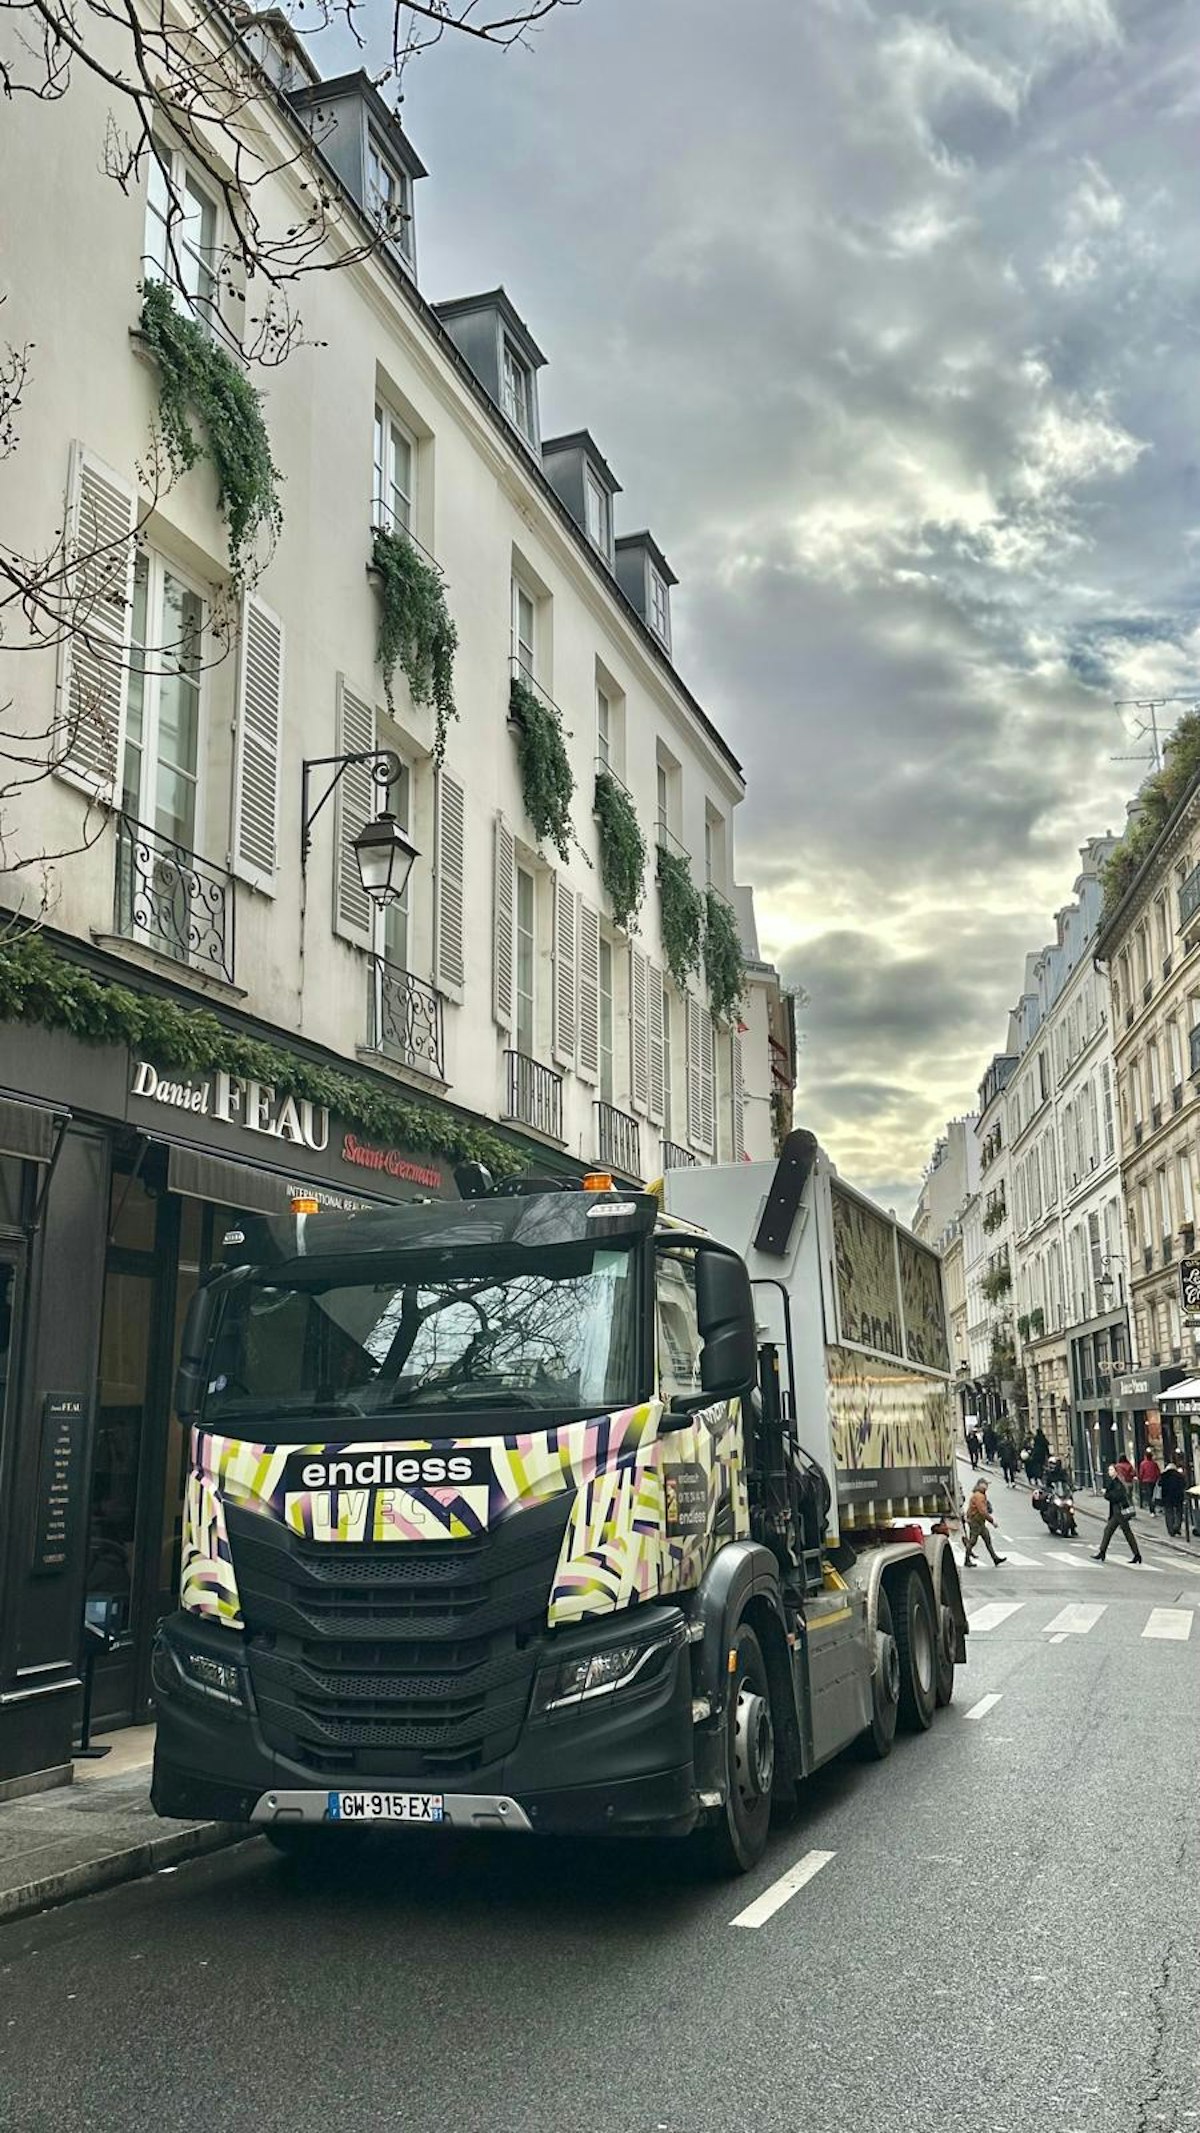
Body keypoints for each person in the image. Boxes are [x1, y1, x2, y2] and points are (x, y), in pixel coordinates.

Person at [1093, 1462, 1143, 1564]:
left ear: (1116, 1472)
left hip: (1119, 1511)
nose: (1109, 1472)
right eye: (1109, 1470)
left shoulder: (1117, 1483)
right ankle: (1102, 1552)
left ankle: (1136, 1555)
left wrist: (1106, 1494)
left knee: (1124, 1532)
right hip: (1117, 1511)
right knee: (1109, 1530)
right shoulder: (1115, 1482)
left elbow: (1117, 1496)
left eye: (1111, 1470)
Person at [963, 1477, 1006, 1568]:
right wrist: (992, 1521)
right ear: (980, 1485)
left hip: (979, 1521)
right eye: (985, 1484)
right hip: (976, 1521)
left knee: (987, 1539)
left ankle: (995, 1558)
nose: (987, 1486)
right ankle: (966, 1560)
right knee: (973, 1541)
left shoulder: (980, 1495)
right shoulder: (979, 1496)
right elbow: (982, 1511)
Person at [1159, 1458, 1186, 1538]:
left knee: (1169, 1513)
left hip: (1167, 1497)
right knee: (1179, 1512)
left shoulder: (1164, 1476)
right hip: (1178, 1496)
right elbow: (1184, 1484)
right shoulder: (1179, 1476)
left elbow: (1160, 1485)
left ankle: (1171, 1530)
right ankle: (1177, 1527)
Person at [1137, 1448, 1161, 1515]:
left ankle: (1152, 1510)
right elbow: (1158, 1472)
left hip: (1146, 1481)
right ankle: (1153, 1508)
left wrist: (1140, 1479)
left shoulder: (1143, 1464)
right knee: (1153, 1495)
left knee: (1149, 1495)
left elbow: (1141, 1473)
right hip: (1153, 1481)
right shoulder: (1154, 1463)